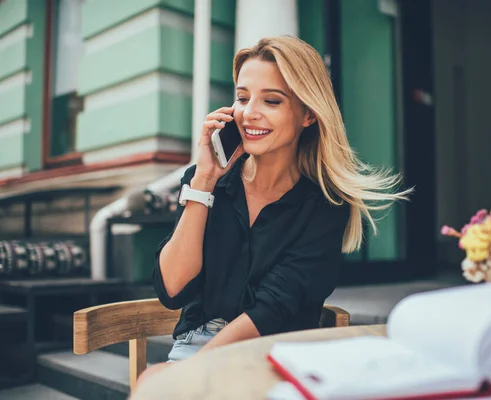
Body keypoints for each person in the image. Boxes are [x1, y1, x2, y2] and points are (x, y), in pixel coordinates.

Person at [136, 35, 410, 386]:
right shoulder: (207, 181)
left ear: (308, 113)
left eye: (272, 100)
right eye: (242, 98)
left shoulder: (326, 204)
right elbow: (172, 289)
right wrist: (204, 180)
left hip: (278, 355)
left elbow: (273, 308)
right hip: (195, 345)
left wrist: (189, 374)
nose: (250, 113)